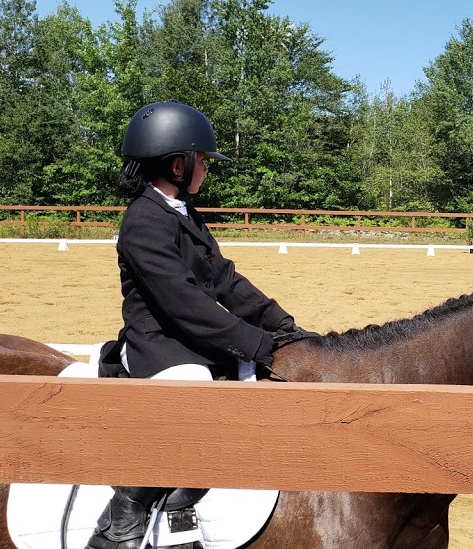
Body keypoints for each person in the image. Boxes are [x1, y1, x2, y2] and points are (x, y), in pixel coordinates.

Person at [86, 100, 311, 549]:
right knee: (191, 389)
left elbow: (225, 280)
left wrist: (285, 328)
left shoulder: (183, 212)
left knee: (257, 379)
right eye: (203, 161)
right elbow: (183, 302)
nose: (206, 169)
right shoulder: (142, 221)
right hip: (158, 342)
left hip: (196, 337)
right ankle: (123, 516)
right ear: (178, 163)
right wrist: (255, 342)